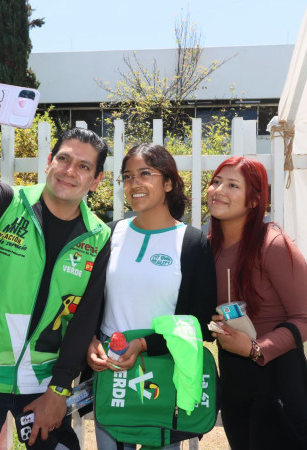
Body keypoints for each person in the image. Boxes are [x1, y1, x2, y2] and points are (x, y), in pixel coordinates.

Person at [0, 73, 112, 449]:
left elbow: (84, 320)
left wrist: (60, 389)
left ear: (97, 180)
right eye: (64, 159)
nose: (70, 171)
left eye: (84, 167)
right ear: (49, 161)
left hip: (42, 382)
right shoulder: (4, 204)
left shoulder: (98, 237)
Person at [86, 143, 217, 449]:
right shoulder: (110, 234)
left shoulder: (193, 243)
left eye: (145, 173)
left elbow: (199, 320)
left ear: (168, 182)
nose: (135, 184)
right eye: (128, 176)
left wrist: (146, 343)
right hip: (114, 369)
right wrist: (90, 339)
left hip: (165, 370)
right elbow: (89, 301)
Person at [206, 156, 307, 449]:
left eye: (232, 185)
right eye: (216, 181)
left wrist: (255, 348)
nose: (218, 190)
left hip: (279, 378)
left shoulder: (274, 245)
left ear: (254, 200)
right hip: (234, 378)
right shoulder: (208, 248)